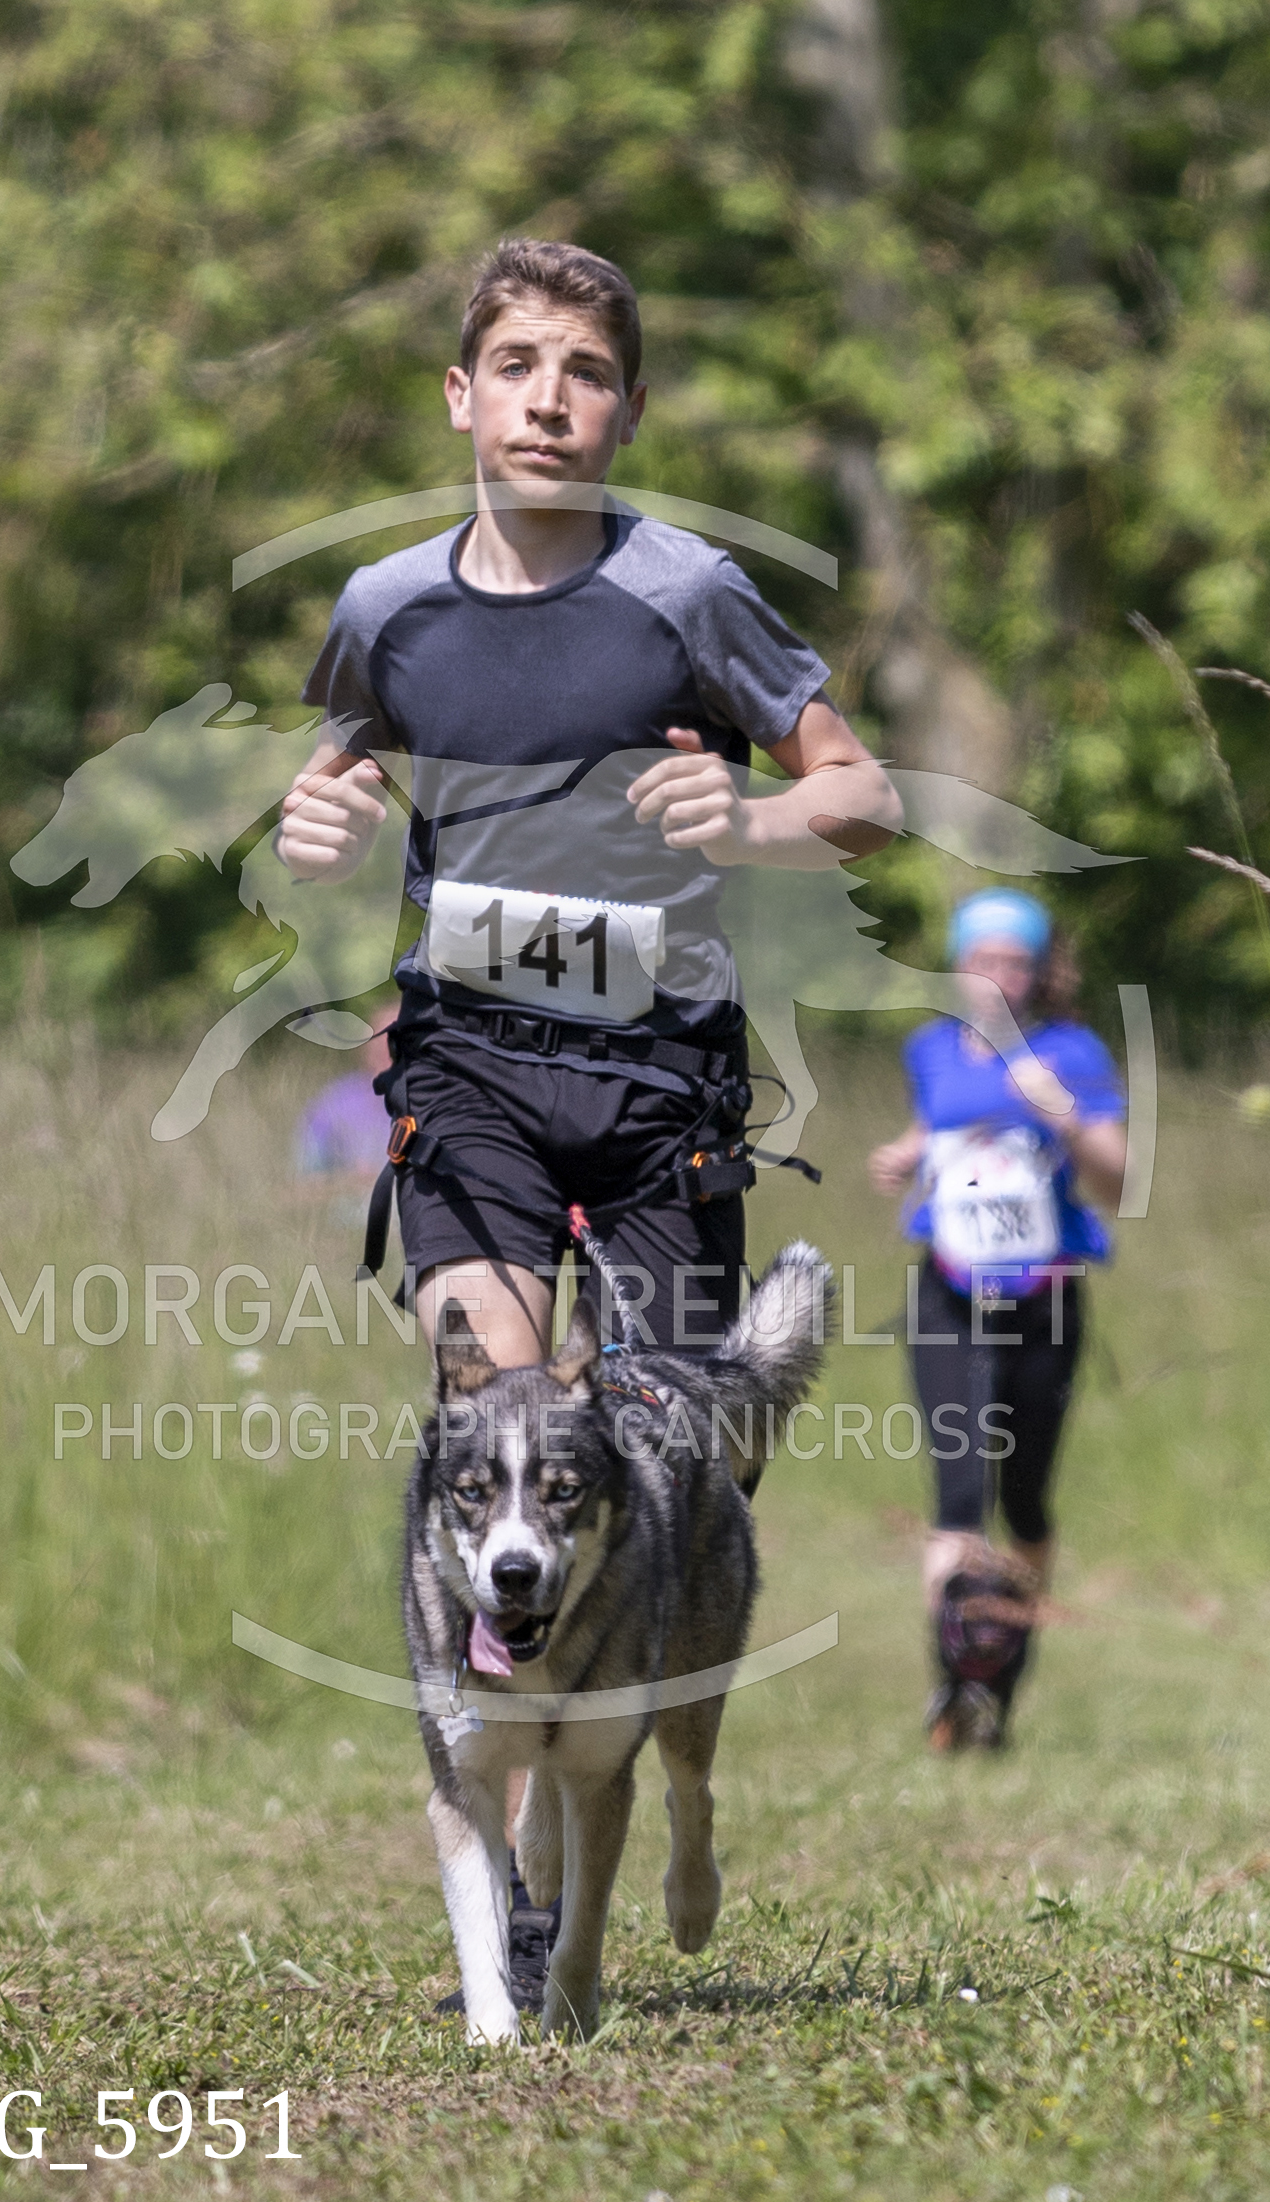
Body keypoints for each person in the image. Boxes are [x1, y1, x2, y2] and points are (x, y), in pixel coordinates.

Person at [276, 236, 900, 2004]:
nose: (551, 399)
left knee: (676, 1456)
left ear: (626, 407)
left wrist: (752, 822)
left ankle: (605, 1802)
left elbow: (861, 791)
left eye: (589, 371)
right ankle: (526, 1892)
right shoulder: (388, 604)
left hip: (658, 1088)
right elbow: (334, 773)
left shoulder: (688, 591)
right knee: (498, 1408)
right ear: (459, 396)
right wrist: (311, 827)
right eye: (519, 364)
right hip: (466, 1060)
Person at [867, 889, 1129, 1751]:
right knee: (959, 1490)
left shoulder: (1073, 1052)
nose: (999, 976)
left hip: (1043, 1298)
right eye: (983, 959)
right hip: (947, 1290)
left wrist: (1065, 1115)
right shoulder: (930, 1049)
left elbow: (1118, 1180)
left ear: (1041, 971)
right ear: (958, 966)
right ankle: (955, 1685)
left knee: (1024, 1497)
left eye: (1017, 961)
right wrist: (906, 1154)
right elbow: (937, 1125)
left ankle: (1004, 1674)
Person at [293, 1005, 396, 1179]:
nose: (388, 1051)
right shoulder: (333, 1106)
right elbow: (300, 1185)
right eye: (380, 1043)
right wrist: (348, 1181)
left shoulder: (436, 1100)